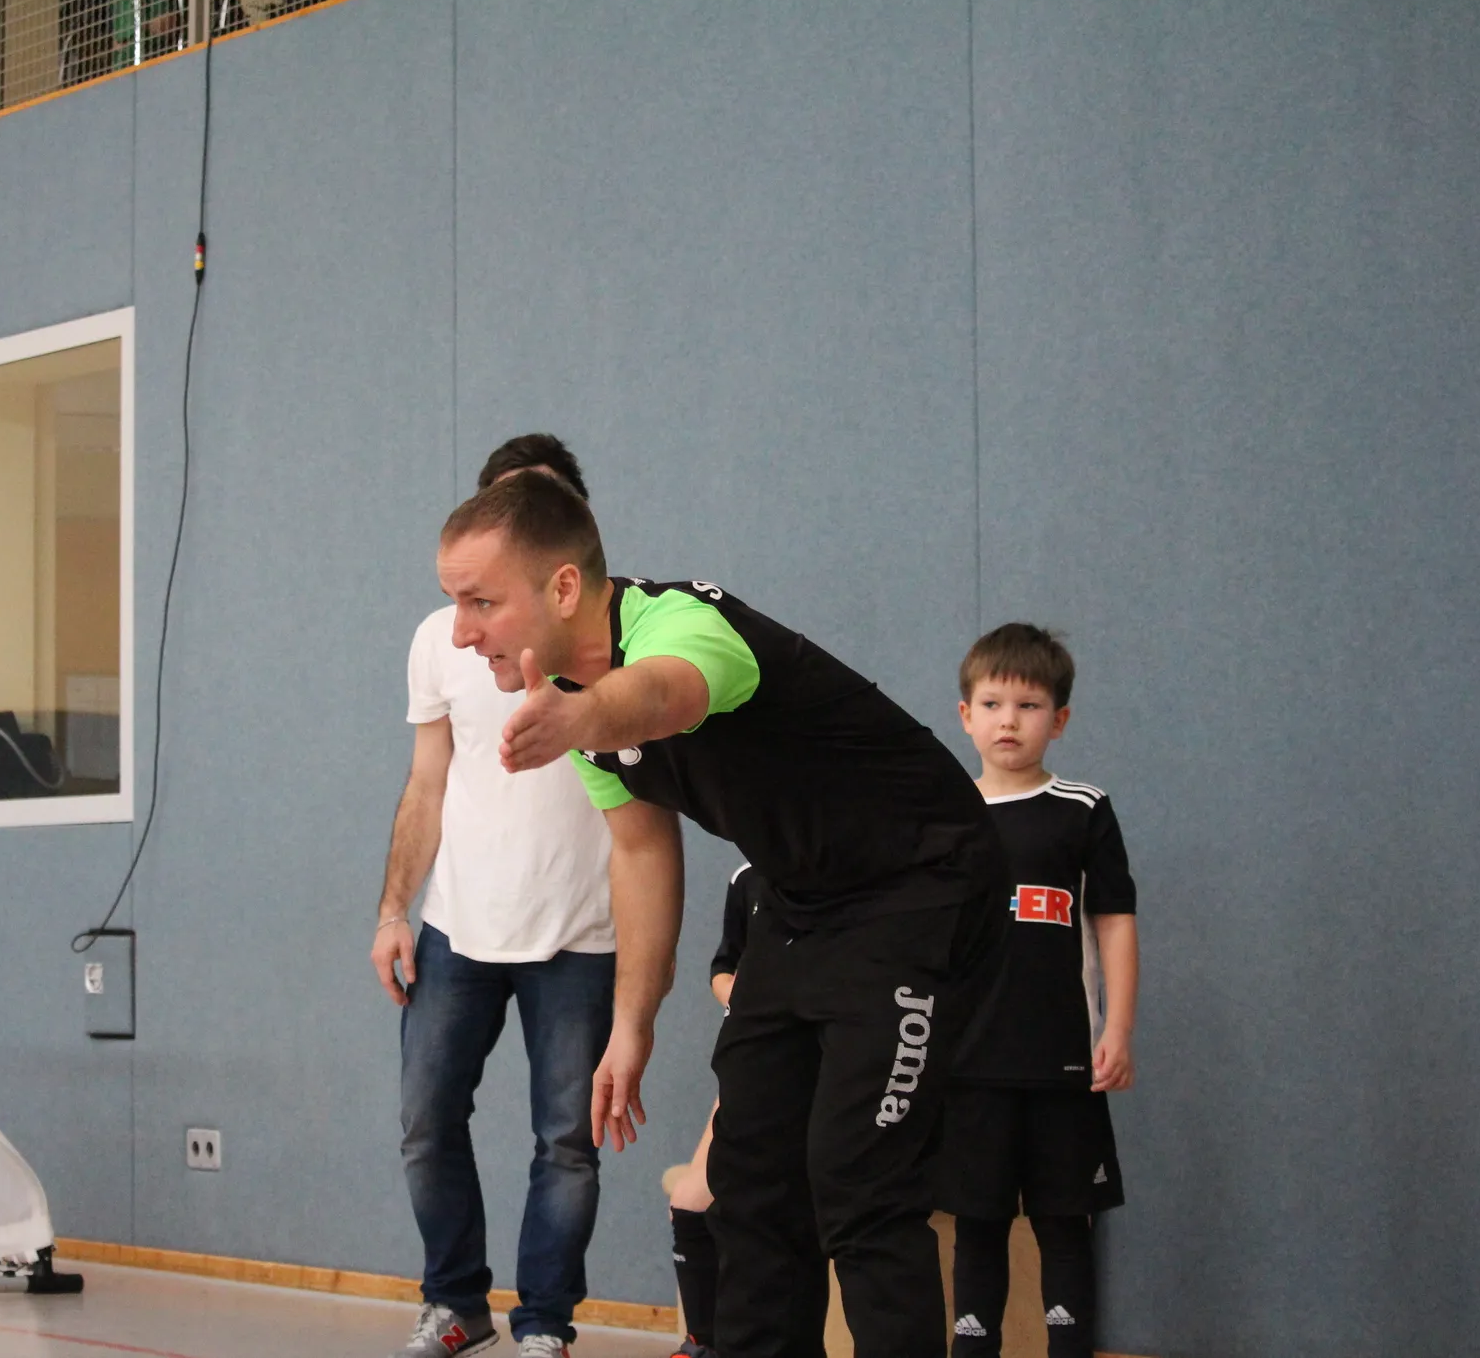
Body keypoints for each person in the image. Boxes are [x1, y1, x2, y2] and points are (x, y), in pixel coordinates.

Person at [435, 471, 1008, 1358]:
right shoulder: (575, 710)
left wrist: (584, 715)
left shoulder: (682, 628)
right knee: (751, 1180)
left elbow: (665, 695)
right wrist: (633, 1021)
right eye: (454, 604)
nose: (461, 632)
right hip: (803, 900)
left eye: (481, 601)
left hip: (923, 881)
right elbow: (641, 852)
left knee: (859, 1182)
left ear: (564, 586)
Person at [374, 437, 616, 1358]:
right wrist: (393, 911)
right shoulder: (440, 641)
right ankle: (456, 1303)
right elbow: (426, 782)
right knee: (425, 1121)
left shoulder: (609, 635)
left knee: (567, 1140)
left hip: (580, 930)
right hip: (456, 927)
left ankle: (545, 1323)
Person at [935, 624, 1139, 1358]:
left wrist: (1117, 1028)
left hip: (1063, 1064)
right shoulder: (942, 815)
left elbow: (1114, 921)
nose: (1009, 720)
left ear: (1060, 719)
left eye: (1028, 705)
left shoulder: (1083, 808)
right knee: (978, 1227)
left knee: (1063, 1224)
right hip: (967, 1066)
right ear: (966, 715)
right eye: (992, 704)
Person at [665, 863, 826, 1358]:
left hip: (820, 1067)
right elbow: (723, 965)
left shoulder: (841, 870)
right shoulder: (746, 879)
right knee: (688, 1200)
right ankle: (702, 1341)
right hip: (754, 1064)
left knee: (781, 1212)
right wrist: (744, 996)